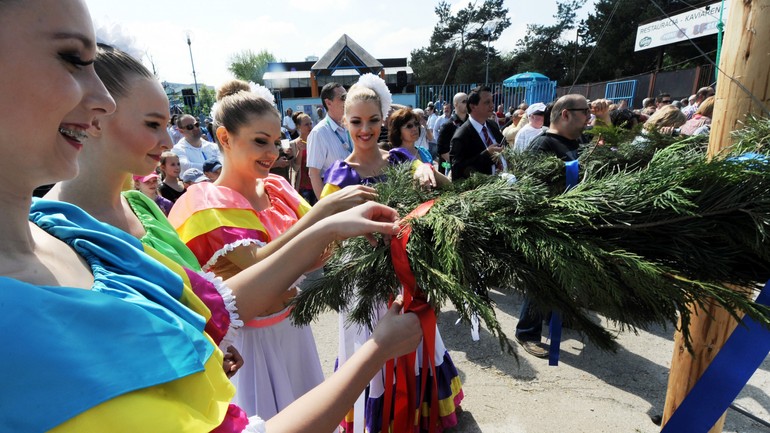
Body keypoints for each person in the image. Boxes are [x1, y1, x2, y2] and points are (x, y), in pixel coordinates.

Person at [0, 4, 421, 431]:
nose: (101, 99)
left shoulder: (121, 218)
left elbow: (203, 308)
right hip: (258, 350)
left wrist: (325, 226)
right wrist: (322, 226)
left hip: (278, 340)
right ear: (225, 139)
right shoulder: (197, 203)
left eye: (275, 141)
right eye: (72, 59)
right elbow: (228, 294)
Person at [168, 79, 387, 421]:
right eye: (260, 142)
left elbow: (312, 254)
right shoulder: (204, 203)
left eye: (274, 142)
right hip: (251, 344)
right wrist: (323, 214)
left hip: (293, 329)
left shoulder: (279, 188)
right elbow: (262, 263)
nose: (272, 153)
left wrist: (355, 228)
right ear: (224, 138)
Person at [321, 73, 460, 433]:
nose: (364, 129)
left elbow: (446, 193)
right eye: (356, 121)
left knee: (414, 342)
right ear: (344, 121)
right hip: (362, 284)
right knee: (370, 347)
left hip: (405, 277)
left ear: (383, 120)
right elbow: (325, 238)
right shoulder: (339, 175)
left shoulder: (401, 159)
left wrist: (429, 170)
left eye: (372, 121)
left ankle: (418, 409)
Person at [516, 95, 592, 358]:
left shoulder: (578, 141)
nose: (589, 116)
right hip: (547, 223)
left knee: (561, 276)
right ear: (566, 114)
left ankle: (555, 313)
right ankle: (527, 332)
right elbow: (530, 189)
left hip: (572, 221)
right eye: (585, 111)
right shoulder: (543, 145)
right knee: (542, 278)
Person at [449, 85, 505, 181]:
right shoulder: (461, 136)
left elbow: (505, 147)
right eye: (487, 102)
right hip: (485, 191)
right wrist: (486, 155)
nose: (492, 105)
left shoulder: (493, 125)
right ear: (473, 106)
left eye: (492, 101)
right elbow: (457, 173)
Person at [307, 82, 350, 201]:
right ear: (328, 103)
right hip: (335, 199)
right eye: (343, 98)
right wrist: (325, 207)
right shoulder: (319, 133)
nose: (348, 101)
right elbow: (314, 174)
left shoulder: (351, 127)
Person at [288, 111, 316, 204]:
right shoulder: (293, 144)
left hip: (317, 184)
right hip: (303, 187)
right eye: (306, 124)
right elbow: (295, 168)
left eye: (310, 123)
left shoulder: (316, 142)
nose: (310, 126)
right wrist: (300, 151)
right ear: (299, 127)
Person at [436, 92, 468, 166]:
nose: (467, 104)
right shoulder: (447, 125)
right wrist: (458, 163)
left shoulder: (472, 122)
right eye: (464, 102)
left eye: (468, 101)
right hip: (453, 166)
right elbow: (442, 150)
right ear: (455, 104)